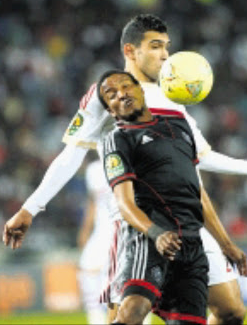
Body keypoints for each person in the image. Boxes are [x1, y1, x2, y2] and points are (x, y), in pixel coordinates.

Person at [3, 14, 247, 325]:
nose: (165, 55)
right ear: (130, 51)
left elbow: (203, 157)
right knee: (129, 317)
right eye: (155, 46)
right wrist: (30, 208)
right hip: (140, 225)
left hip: (189, 220)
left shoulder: (173, 98)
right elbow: (70, 155)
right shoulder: (108, 94)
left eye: (166, 47)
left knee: (232, 312)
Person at [98, 69, 210, 324]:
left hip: (191, 245)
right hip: (149, 238)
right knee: (133, 310)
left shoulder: (179, 125)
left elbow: (197, 191)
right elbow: (124, 203)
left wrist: (225, 243)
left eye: (125, 86)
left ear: (140, 89)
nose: (121, 95)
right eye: (111, 95)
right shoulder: (118, 140)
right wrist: (156, 233)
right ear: (111, 112)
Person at [77, 159, 114, 324]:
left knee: (128, 284)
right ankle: (96, 319)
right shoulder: (93, 170)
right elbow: (92, 202)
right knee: (87, 269)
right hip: (101, 231)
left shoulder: (130, 161)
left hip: (124, 230)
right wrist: (85, 230)